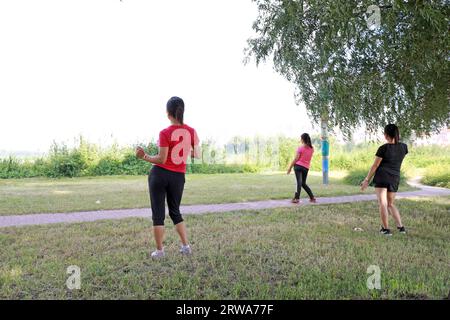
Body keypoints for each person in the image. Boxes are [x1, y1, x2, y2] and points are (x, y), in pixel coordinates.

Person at [136, 96, 200, 258]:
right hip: (178, 177)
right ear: (182, 111)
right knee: (175, 212)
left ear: (168, 113)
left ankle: (160, 251)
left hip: (159, 175)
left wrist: (144, 157)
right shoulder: (191, 131)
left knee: (158, 214)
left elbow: (161, 159)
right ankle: (186, 247)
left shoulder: (165, 132)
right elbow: (197, 154)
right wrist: (183, 151)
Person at [361, 124, 408, 236]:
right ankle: (401, 228)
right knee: (390, 204)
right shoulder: (404, 147)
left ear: (386, 135)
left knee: (383, 203)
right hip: (394, 178)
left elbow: (375, 165)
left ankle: (386, 230)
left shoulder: (383, 148)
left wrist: (367, 180)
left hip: (382, 176)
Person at [287, 133, 317, 204]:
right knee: (302, 183)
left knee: (299, 183)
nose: (300, 140)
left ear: (303, 139)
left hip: (298, 166)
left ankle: (296, 199)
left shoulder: (300, 148)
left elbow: (296, 159)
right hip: (306, 168)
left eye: (301, 138)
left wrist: (290, 167)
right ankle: (312, 198)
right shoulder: (312, 149)